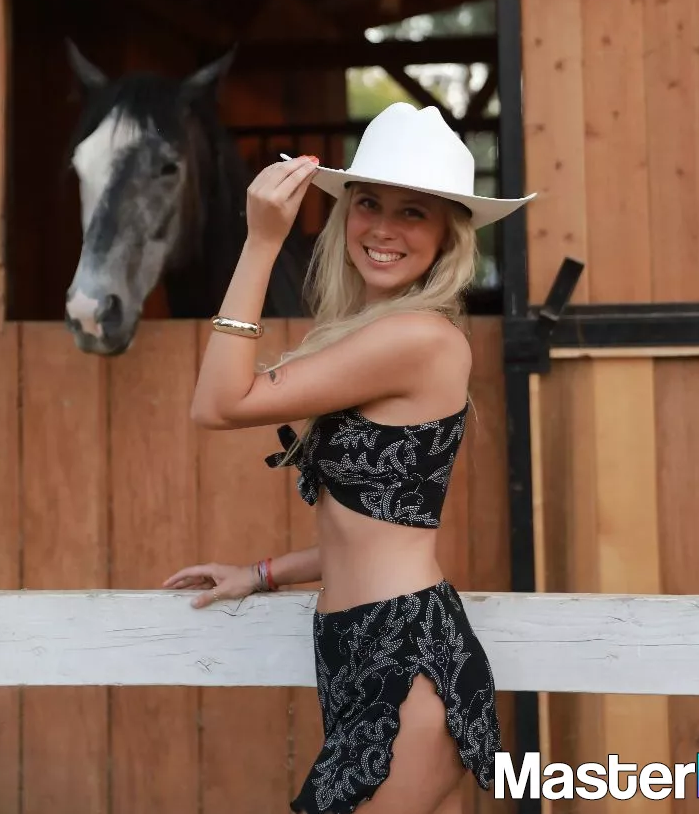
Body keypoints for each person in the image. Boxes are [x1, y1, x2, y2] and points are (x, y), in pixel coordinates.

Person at [163, 102, 536, 814]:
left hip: (406, 658)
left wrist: (260, 242)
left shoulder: (418, 339)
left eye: (413, 212)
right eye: (368, 203)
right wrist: (262, 573)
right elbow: (375, 533)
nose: (384, 228)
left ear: (448, 235)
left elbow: (217, 403)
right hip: (355, 650)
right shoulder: (374, 334)